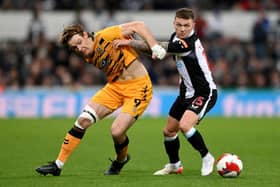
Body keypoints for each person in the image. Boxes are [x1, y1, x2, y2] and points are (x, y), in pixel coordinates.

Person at [35, 21, 166, 176]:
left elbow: (139, 25)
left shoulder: (106, 35)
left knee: (116, 132)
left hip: (139, 88)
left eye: (79, 43)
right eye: (74, 48)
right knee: (83, 120)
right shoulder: (87, 55)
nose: (79, 49)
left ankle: (121, 159)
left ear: (85, 34)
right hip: (115, 87)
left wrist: (154, 46)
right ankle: (58, 165)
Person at [113, 8, 217, 176]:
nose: (182, 29)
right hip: (185, 94)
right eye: (179, 25)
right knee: (169, 131)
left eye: (186, 25)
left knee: (185, 125)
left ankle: (207, 156)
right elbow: (157, 50)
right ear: (174, 23)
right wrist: (147, 48)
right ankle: (175, 165)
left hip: (204, 92)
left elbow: (160, 47)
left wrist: (131, 43)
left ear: (193, 25)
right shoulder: (175, 37)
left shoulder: (189, 42)